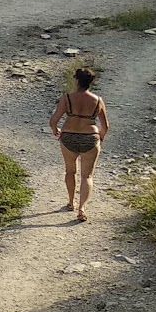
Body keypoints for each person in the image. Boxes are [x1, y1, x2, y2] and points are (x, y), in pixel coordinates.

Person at [48, 67, 108, 222]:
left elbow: (54, 120)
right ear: (91, 82)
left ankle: (70, 202)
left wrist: (56, 130)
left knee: (70, 171)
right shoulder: (98, 100)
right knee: (87, 175)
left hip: (69, 136)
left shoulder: (67, 98)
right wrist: (100, 138)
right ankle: (82, 208)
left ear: (76, 80)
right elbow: (105, 126)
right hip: (90, 137)